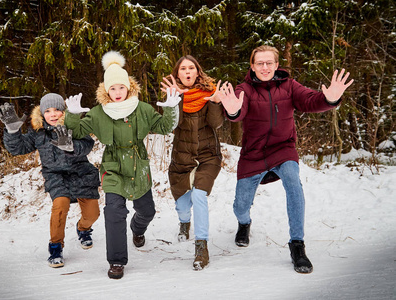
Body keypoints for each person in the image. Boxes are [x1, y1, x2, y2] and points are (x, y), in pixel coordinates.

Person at [218, 45, 354, 274]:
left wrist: (329, 99)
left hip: (283, 149)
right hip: (253, 154)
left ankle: (297, 245)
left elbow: (310, 101)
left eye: (269, 63)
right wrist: (232, 112)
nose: (265, 67)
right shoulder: (245, 90)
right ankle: (244, 223)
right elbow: (237, 111)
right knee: (240, 205)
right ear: (252, 66)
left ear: (277, 65)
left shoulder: (289, 86)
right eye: (259, 63)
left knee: (294, 183)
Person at [64, 50, 180, 279]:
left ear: (129, 87)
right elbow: (76, 131)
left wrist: (171, 107)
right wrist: (72, 115)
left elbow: (166, 127)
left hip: (139, 165)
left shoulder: (142, 109)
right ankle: (116, 261)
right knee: (114, 211)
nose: (117, 92)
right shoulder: (99, 113)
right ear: (106, 90)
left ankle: (138, 229)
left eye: (121, 87)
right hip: (113, 166)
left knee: (147, 211)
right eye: (112, 88)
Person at [0, 93, 101, 268]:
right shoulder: (38, 132)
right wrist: (13, 131)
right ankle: (55, 247)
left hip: (81, 173)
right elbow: (18, 148)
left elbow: (87, 144)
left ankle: (83, 229)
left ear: (63, 111)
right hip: (55, 175)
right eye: (48, 111)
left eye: (57, 110)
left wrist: (71, 146)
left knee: (92, 214)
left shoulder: (74, 125)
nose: (53, 114)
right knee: (60, 206)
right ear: (42, 114)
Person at [160, 55, 224, 270]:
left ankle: (201, 247)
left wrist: (215, 102)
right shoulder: (172, 95)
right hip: (182, 158)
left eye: (191, 68)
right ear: (177, 73)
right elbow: (171, 125)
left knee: (199, 195)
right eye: (183, 69)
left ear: (198, 71)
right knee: (182, 204)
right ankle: (184, 221)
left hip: (208, 156)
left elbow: (216, 124)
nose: (187, 72)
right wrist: (175, 102)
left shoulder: (210, 93)